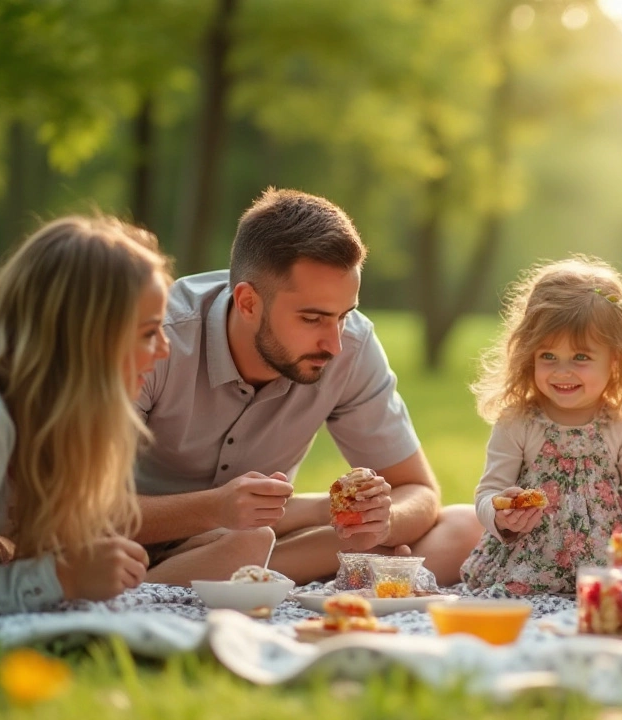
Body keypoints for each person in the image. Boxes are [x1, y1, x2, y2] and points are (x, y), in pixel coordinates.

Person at [135, 188, 482, 586]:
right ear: (248, 303)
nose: (334, 344)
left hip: (262, 538)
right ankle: (305, 569)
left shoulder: (351, 346)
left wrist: (382, 523)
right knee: (245, 542)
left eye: (343, 316)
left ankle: (257, 573)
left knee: (465, 525)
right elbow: (78, 512)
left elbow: (417, 489)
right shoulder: (156, 339)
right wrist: (215, 509)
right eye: (312, 318)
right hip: (128, 539)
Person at [0, 216, 169, 622]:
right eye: (148, 332)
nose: (164, 350)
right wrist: (61, 579)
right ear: (85, 338)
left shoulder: (7, 405)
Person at [460, 256, 622, 595]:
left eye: (581, 357)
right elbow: (488, 492)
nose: (562, 371)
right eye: (548, 356)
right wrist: (499, 513)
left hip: (606, 565)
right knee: (512, 599)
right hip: (531, 563)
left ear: (615, 360)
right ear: (528, 356)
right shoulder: (518, 422)